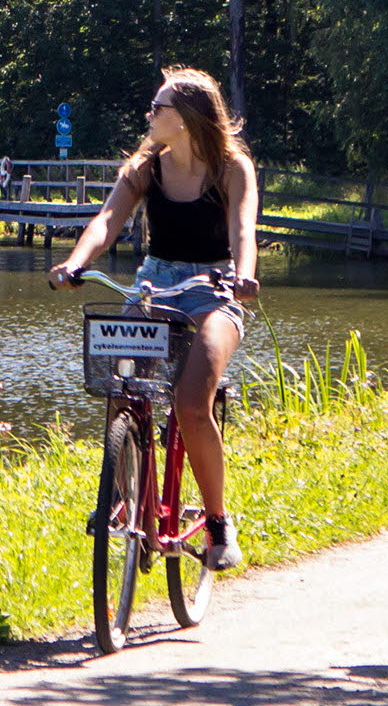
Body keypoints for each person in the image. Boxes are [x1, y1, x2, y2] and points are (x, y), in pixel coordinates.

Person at [48, 66, 261, 571]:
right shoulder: (145, 167)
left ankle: (217, 522)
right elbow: (106, 221)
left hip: (214, 287)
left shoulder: (232, 168)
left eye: (157, 107)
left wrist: (245, 275)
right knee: (120, 384)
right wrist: (76, 263)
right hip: (154, 284)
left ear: (185, 117)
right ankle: (126, 496)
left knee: (191, 402)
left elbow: (243, 230)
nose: (149, 115)